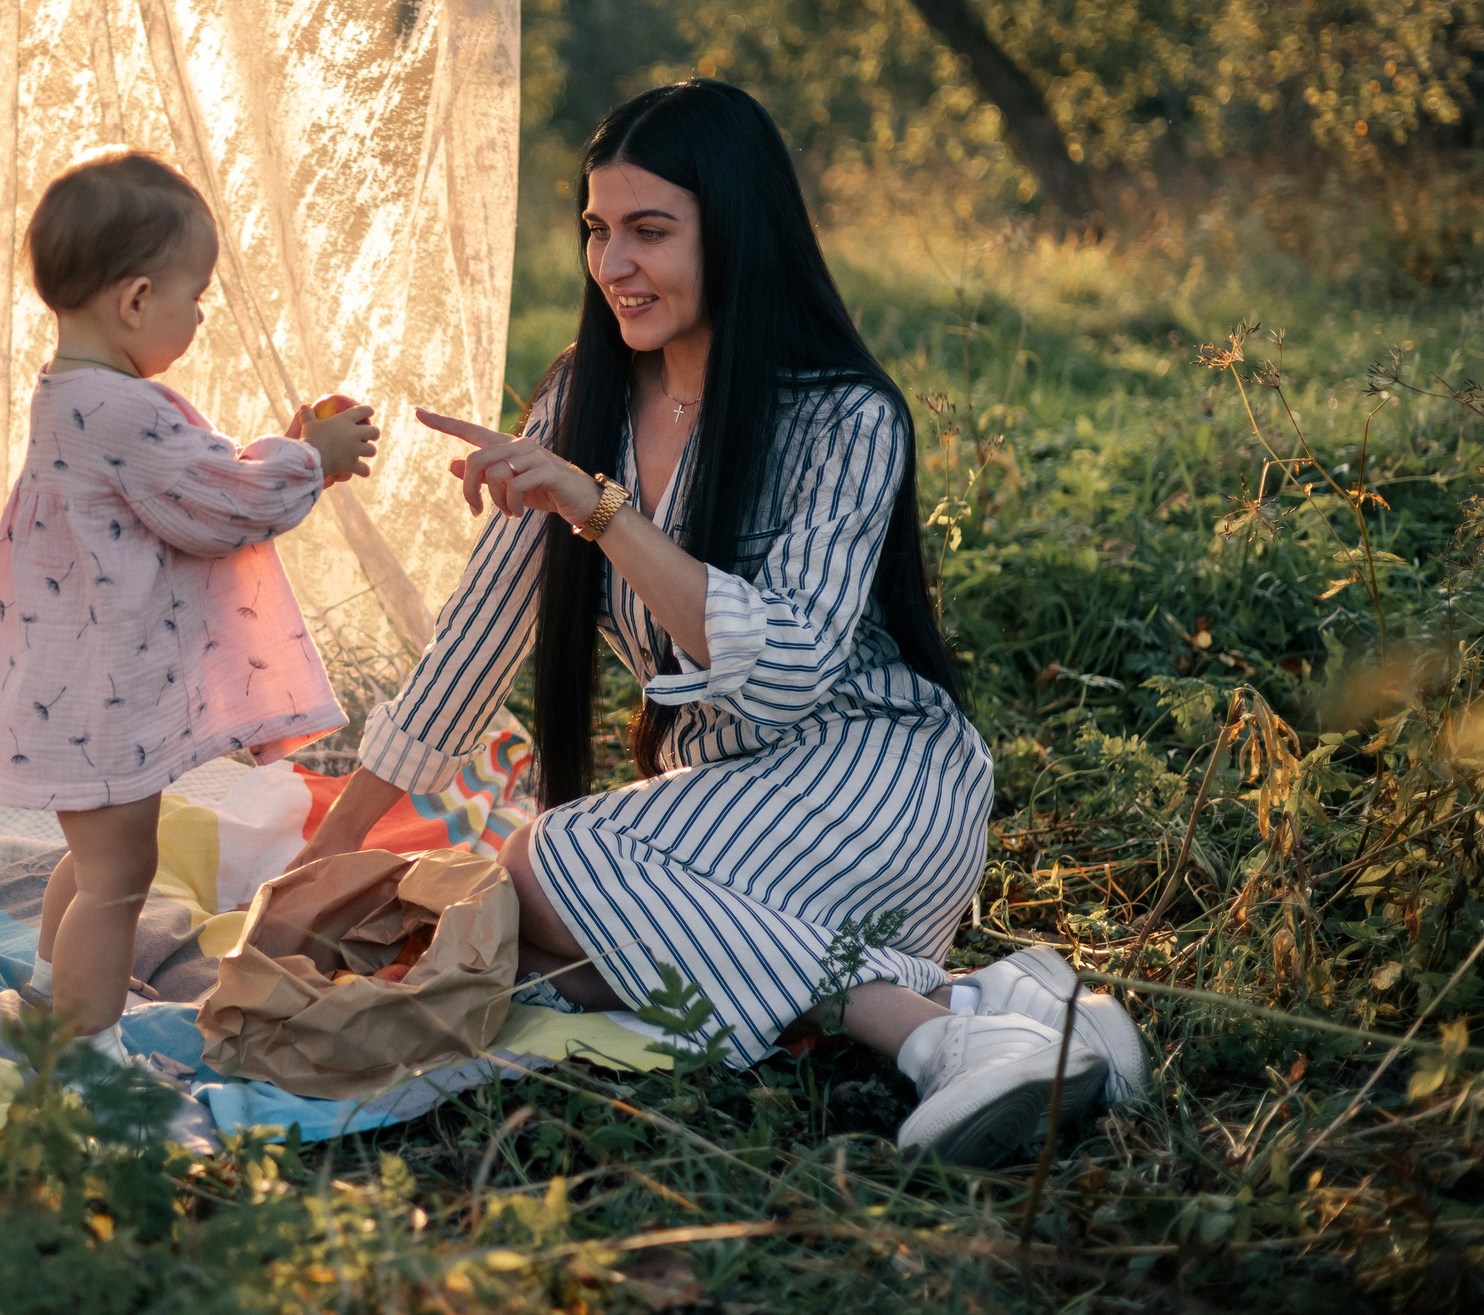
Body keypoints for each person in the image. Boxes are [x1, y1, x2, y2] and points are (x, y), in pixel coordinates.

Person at [292, 81, 1144, 1165]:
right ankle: (1003, 1011)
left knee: (545, 867)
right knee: (528, 953)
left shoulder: (842, 414)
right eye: (599, 231)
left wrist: (599, 509)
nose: (613, 265)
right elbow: (469, 651)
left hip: (876, 785)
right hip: (720, 829)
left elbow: (784, 677)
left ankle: (936, 1042)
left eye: (651, 231)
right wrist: (321, 859)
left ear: (735, 230)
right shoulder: (578, 399)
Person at [0, 147, 380, 1059]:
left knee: (92, 859)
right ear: (135, 301)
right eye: (194, 299)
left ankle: (53, 989)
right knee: (121, 875)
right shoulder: (125, 411)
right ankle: (85, 1047)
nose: (199, 318)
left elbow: (191, 490)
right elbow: (225, 505)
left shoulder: (70, 396)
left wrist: (281, 446)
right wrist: (314, 457)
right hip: (97, 692)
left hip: (73, 682)